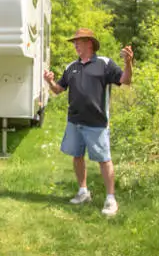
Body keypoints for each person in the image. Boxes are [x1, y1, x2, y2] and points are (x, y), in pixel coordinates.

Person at [43, 28, 133, 216]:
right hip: (74, 121)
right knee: (77, 156)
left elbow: (125, 80)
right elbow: (59, 89)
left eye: (78, 41)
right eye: (74, 42)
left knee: (104, 159)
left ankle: (110, 199)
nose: (75, 44)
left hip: (97, 123)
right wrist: (50, 82)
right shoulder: (71, 67)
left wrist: (128, 63)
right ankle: (83, 192)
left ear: (90, 43)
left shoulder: (104, 64)